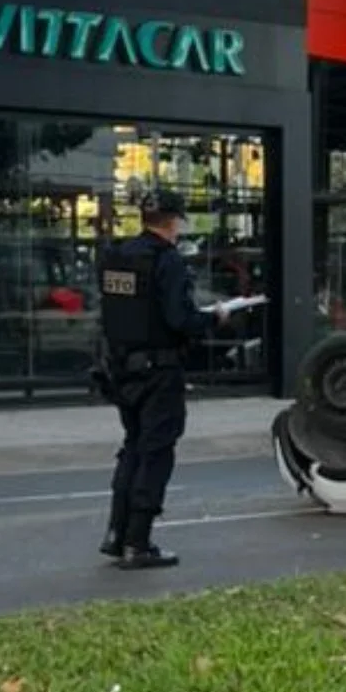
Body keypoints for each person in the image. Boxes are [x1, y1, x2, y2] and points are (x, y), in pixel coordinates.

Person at [95, 189, 228, 569]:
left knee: (132, 448)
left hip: (122, 370)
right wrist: (214, 317)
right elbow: (179, 319)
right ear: (173, 222)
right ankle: (139, 542)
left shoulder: (118, 256)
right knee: (155, 453)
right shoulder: (167, 261)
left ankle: (116, 534)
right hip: (158, 371)